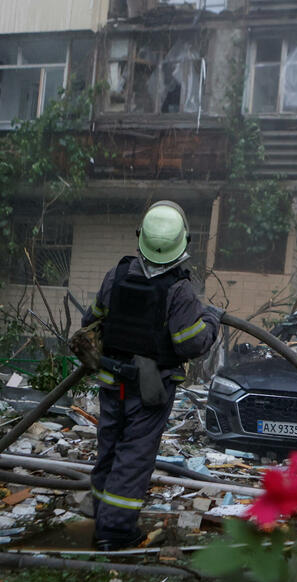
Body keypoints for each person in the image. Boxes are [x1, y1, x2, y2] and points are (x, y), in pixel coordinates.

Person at [81, 200, 221, 550]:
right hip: (150, 388)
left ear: (140, 236)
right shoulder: (179, 290)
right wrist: (212, 320)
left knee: (109, 448)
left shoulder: (116, 275)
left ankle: (102, 514)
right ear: (183, 242)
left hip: (112, 381)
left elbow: (91, 319)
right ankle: (114, 532)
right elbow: (192, 343)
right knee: (134, 456)